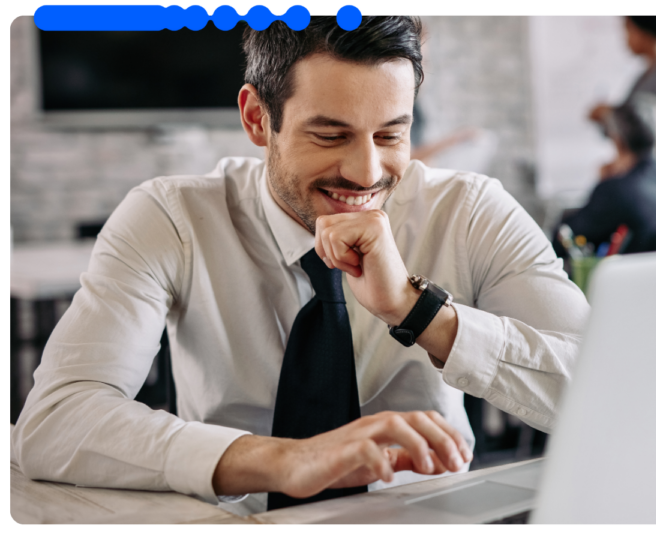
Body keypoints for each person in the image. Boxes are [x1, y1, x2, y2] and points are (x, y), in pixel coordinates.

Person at [11, 16, 589, 516]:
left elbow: (601, 390)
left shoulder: (470, 210)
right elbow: (55, 421)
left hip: (432, 517)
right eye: (330, 135)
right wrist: (283, 459)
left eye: (391, 134)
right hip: (243, 521)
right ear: (258, 119)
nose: (367, 174)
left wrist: (418, 310)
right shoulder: (172, 215)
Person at [555, 92, 656, 255]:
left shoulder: (615, 191)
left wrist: (603, 182)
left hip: (631, 279)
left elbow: (562, 241)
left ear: (618, 141)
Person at [589, 16, 656, 156]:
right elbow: (628, 128)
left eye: (628, 29)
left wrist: (610, 114)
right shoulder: (643, 77)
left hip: (652, 172)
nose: (625, 38)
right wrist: (607, 117)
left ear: (645, 32)